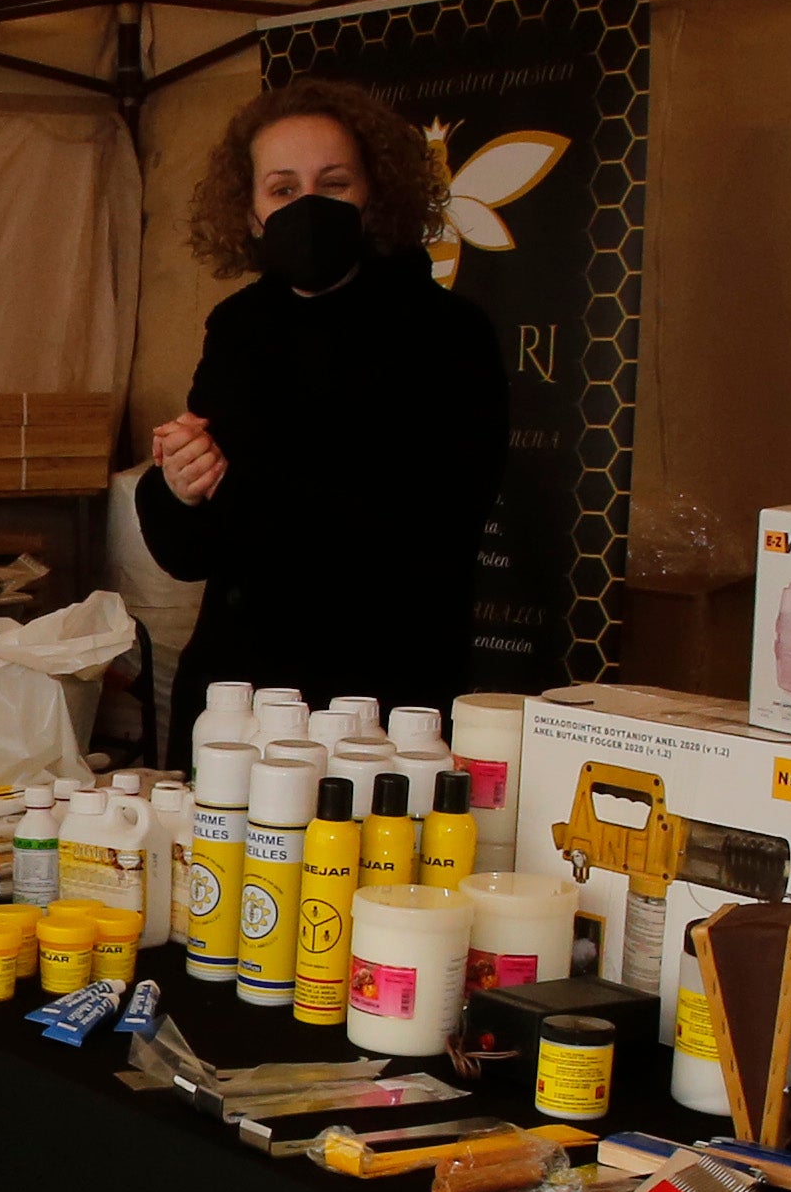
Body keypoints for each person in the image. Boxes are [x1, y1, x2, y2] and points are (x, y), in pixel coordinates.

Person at [136, 75, 510, 720]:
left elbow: (429, 530)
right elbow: (190, 553)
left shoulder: (448, 333)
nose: (307, 205)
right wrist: (178, 485)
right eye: (283, 189)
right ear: (250, 211)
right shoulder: (238, 327)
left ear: (374, 195)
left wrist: (241, 492)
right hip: (237, 696)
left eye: (333, 184)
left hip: (379, 699)